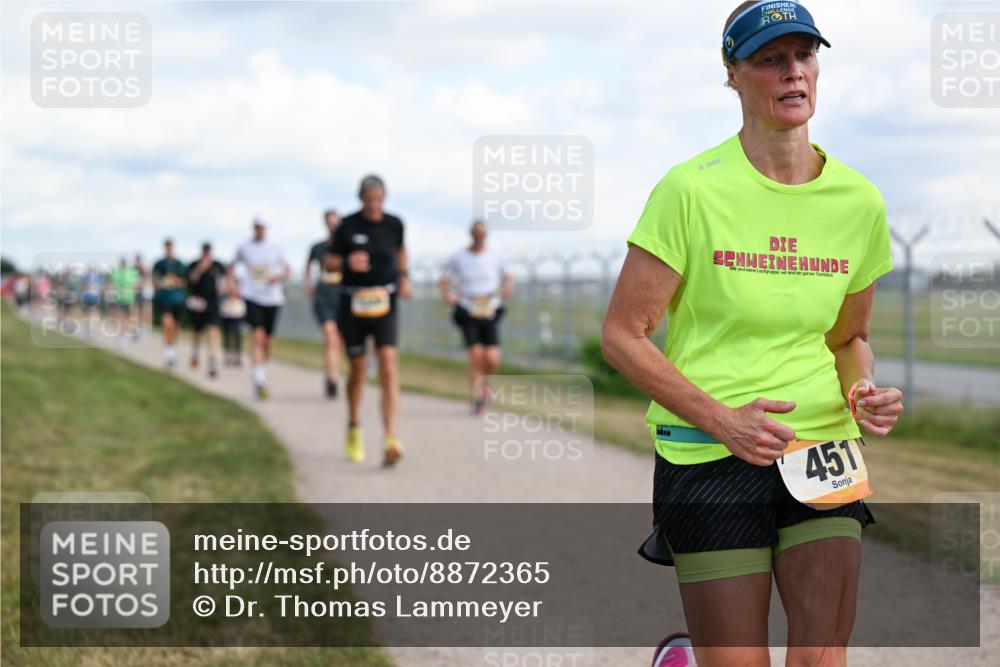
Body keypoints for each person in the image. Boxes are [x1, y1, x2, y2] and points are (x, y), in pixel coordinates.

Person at [600, 3, 904, 666]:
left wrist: (862, 391)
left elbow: (849, 338)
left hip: (822, 445)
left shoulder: (859, 201)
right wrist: (724, 420)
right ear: (733, 74)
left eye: (804, 54)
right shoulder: (689, 190)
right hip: (708, 451)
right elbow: (623, 334)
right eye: (771, 59)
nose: (793, 72)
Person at [327, 175, 411, 466]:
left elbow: (401, 251)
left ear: (384, 197)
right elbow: (329, 262)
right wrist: (347, 261)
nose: (374, 203)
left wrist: (404, 277)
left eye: (378, 198)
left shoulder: (394, 224)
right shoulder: (347, 226)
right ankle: (353, 426)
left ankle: (390, 437)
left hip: (385, 301)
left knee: (388, 364)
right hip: (353, 303)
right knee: (358, 369)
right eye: (369, 198)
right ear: (360, 197)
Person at [439, 220, 513, 414]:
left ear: (486, 235)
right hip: (468, 308)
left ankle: (484, 381)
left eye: (482, 234)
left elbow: (509, 276)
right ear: (471, 234)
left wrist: (506, 288)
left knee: (493, 358)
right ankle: (478, 396)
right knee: (476, 355)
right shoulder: (459, 256)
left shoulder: (497, 255)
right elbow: (444, 278)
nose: (479, 237)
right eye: (476, 233)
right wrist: (448, 295)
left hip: (490, 308)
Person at [230, 218, 289, 398]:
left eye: (262, 227)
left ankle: (261, 369)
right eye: (257, 227)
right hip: (252, 297)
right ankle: (259, 379)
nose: (259, 230)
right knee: (257, 336)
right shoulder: (244, 247)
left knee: (267, 342)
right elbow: (231, 266)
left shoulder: (276, 247)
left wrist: (277, 277)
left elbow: (287, 269)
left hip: (273, 299)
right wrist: (232, 285)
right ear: (253, 228)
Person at [305, 209, 344, 398]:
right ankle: (333, 380)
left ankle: (331, 373)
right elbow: (309, 268)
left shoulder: (347, 246)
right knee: (330, 336)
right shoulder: (318, 248)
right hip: (323, 297)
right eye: (330, 222)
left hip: (342, 298)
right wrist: (309, 284)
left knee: (338, 342)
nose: (333, 225)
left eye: (336, 221)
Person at [186, 242, 226, 378]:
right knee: (198, 332)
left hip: (213, 302)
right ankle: (195, 353)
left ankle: (212, 363)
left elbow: (224, 280)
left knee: (214, 331)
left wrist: (226, 288)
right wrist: (200, 268)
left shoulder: (217, 265)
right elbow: (191, 280)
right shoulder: (194, 264)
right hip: (198, 302)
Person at [152, 239, 187, 368]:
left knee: (176, 328)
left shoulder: (179, 264)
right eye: (167, 247)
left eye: (170, 247)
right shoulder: (159, 264)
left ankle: (172, 351)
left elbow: (185, 281)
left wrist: (175, 282)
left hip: (177, 299)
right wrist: (161, 283)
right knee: (168, 324)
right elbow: (154, 281)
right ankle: (168, 354)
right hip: (164, 299)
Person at [108, 256, 141, 344]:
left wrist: (129, 290)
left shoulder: (132, 272)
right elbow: (112, 284)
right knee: (120, 318)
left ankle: (133, 330)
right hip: (119, 299)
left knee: (131, 317)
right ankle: (122, 336)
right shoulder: (116, 273)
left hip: (130, 299)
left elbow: (137, 284)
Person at [220, 272, 245, 368]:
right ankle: (228, 357)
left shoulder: (240, 284)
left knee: (237, 335)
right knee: (227, 335)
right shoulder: (223, 284)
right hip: (226, 313)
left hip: (237, 313)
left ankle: (237, 357)